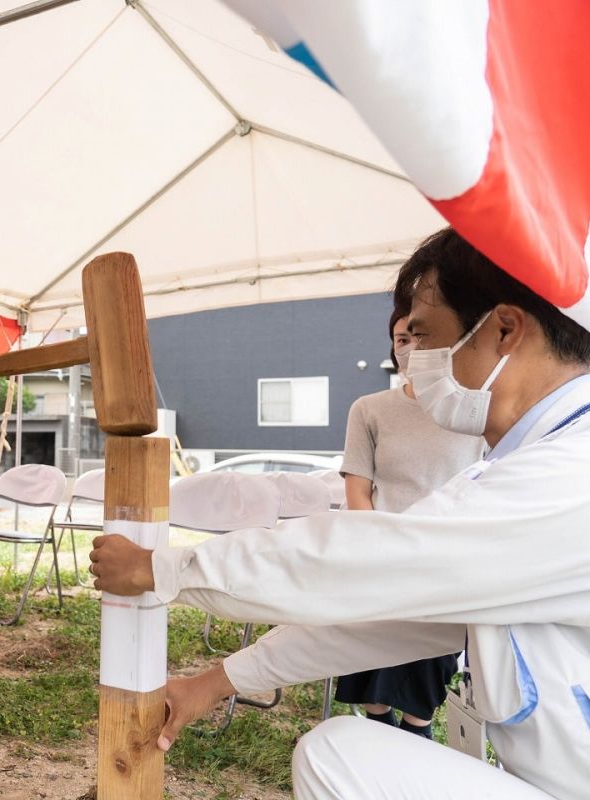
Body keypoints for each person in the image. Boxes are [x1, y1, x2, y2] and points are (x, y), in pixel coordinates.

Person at [89, 227, 590, 799]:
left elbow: (363, 562)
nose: (412, 360)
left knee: (340, 758)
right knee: (342, 748)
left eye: (424, 337)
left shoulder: (568, 473)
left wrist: (162, 570)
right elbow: (396, 613)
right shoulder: (531, 459)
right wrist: (215, 681)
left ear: (504, 328)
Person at [332, 307, 485, 737]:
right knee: (373, 667)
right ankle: (379, 731)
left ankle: (417, 737)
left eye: (421, 338)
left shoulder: (475, 415)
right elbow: (358, 493)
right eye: (402, 339)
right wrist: (382, 550)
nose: (411, 347)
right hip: (380, 556)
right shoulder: (369, 409)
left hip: (445, 564)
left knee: (427, 674)